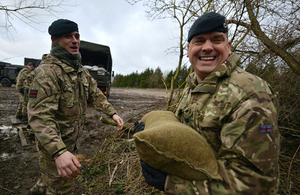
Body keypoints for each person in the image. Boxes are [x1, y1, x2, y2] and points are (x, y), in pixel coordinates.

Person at [138, 12, 280, 194]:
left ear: (228, 47)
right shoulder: (192, 86)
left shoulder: (252, 95)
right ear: (188, 49)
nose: (207, 47)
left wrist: (172, 184)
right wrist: (152, 129)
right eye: (199, 41)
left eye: (216, 39)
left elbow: (256, 185)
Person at [27, 19, 124, 195]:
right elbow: (40, 117)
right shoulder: (48, 72)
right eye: (68, 36)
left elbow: (95, 94)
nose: (75, 40)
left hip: (69, 144)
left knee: (46, 182)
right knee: (61, 189)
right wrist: (59, 152)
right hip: (54, 148)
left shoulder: (79, 70)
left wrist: (113, 113)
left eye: (77, 36)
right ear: (54, 40)